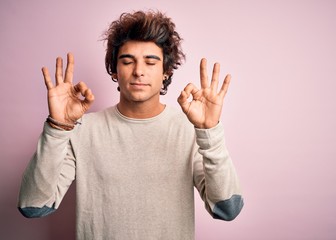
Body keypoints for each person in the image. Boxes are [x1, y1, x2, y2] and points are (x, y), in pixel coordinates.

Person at [18, 10, 244, 239]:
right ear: (115, 71)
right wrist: (57, 128)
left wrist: (209, 131)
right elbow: (33, 206)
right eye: (127, 61)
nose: (138, 71)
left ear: (166, 71)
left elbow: (227, 208)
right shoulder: (82, 130)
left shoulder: (189, 130)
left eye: (150, 62)